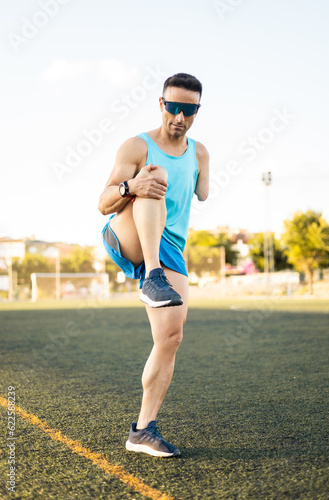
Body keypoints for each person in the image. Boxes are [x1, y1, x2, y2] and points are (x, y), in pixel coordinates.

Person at [98, 73, 209, 457]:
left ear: (197, 110)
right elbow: (104, 200)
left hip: (170, 247)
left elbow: (203, 192)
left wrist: (196, 174)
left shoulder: (200, 152)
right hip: (127, 234)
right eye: (173, 107)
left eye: (189, 109)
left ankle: (143, 430)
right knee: (154, 176)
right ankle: (151, 276)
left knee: (171, 338)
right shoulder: (137, 145)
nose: (180, 116)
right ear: (161, 104)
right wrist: (133, 186)